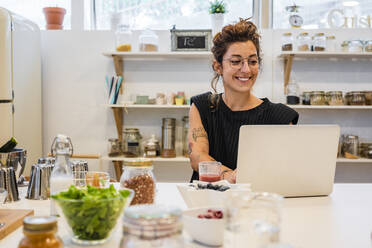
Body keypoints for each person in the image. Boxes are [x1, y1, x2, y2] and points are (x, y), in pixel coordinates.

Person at [188, 18, 299, 183]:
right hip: (208, 200)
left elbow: (283, 168)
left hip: (255, 203)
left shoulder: (280, 117)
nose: (246, 69)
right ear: (218, 67)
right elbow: (198, 156)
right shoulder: (202, 106)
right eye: (235, 61)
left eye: (253, 61)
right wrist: (229, 176)